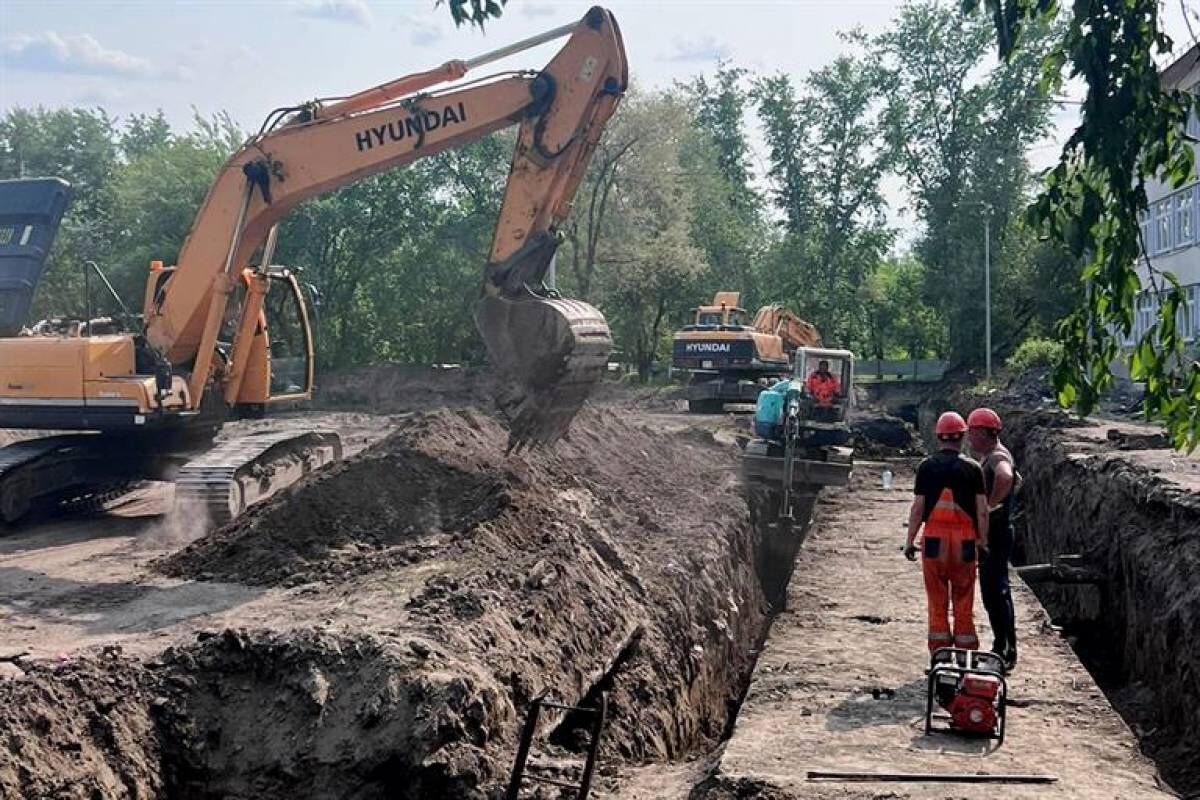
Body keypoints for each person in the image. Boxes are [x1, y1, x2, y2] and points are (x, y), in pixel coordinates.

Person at [905, 412, 989, 654]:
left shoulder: (926, 467)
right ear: (962, 437)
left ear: (939, 437)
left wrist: (909, 540)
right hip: (964, 542)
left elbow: (918, 508)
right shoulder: (973, 468)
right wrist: (982, 542)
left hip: (933, 542)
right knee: (964, 597)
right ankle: (965, 651)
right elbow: (982, 511)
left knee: (936, 598)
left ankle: (940, 653)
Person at [968, 407, 1019, 671]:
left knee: (997, 591)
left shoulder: (997, 457)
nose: (969, 438)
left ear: (983, 433)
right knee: (992, 591)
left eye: (972, 432)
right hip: (995, 532)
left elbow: (1005, 476)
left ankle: (1006, 649)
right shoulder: (990, 455)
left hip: (997, 533)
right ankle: (1001, 646)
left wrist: (989, 506)